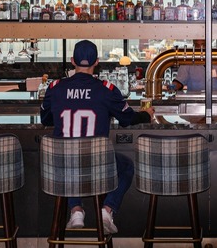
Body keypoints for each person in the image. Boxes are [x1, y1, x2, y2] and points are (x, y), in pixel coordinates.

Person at [40, 40, 154, 234]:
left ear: (72, 61)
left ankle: (76, 210)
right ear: (97, 62)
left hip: (61, 165)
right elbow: (128, 119)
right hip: (98, 166)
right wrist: (147, 115)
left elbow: (45, 119)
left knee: (71, 159)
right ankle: (107, 210)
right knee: (126, 166)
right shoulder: (106, 90)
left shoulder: (55, 88)